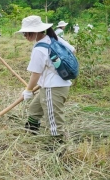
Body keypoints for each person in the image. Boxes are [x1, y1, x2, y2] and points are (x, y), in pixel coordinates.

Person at [17, 15, 75, 143]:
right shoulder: (53, 38)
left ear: (33, 32)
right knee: (34, 110)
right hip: (57, 85)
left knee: (54, 120)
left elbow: (35, 74)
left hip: (53, 88)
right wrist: (54, 67)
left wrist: (28, 90)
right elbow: (72, 50)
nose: (25, 36)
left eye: (25, 33)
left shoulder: (39, 48)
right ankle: (31, 134)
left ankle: (56, 148)